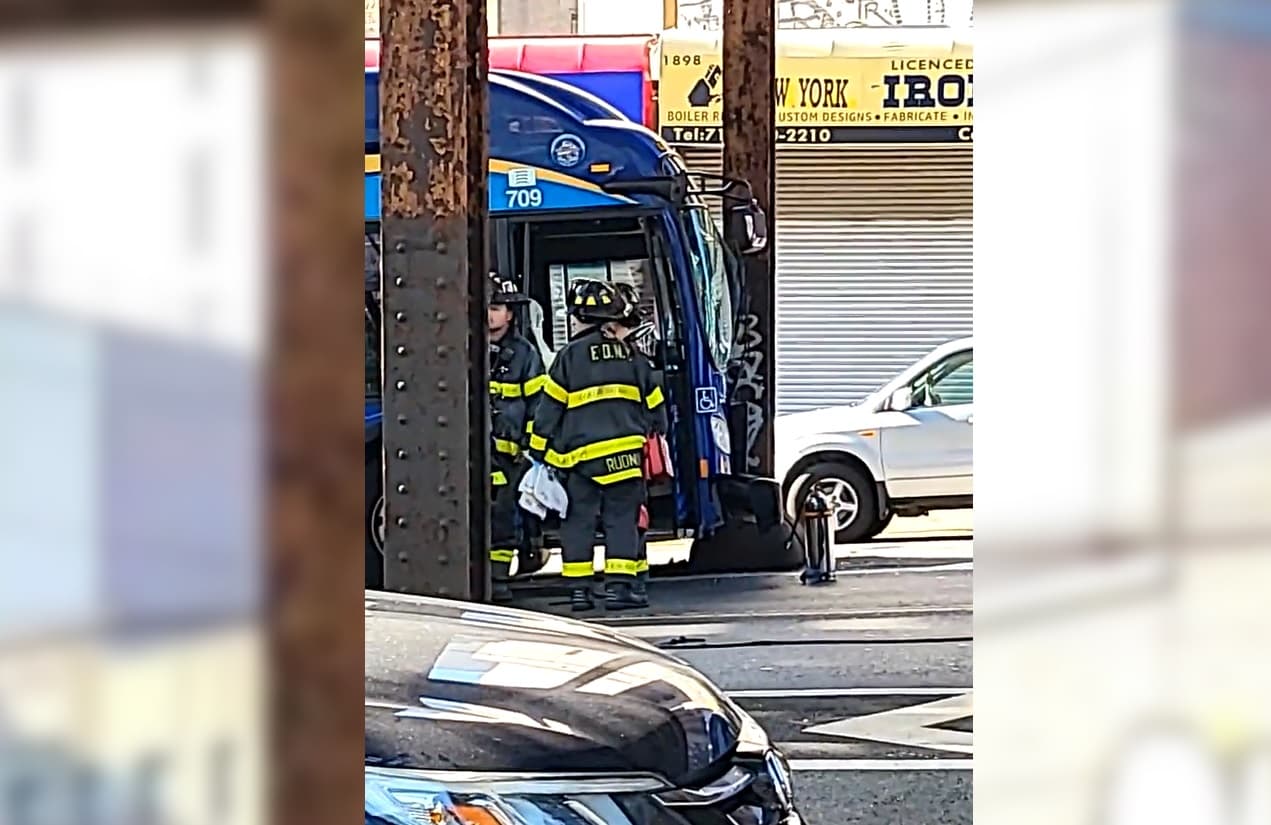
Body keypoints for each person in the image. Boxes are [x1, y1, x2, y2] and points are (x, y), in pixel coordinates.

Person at [529, 278, 667, 611]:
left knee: (579, 522)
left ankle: (580, 591)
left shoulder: (569, 357)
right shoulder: (633, 356)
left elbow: (550, 408)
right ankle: (620, 590)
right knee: (623, 519)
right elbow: (656, 407)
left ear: (580, 319)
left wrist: (537, 449)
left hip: (581, 460)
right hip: (626, 458)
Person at [486, 272, 545, 602]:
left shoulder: (525, 356)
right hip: (475, 452)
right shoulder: (461, 347)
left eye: (497, 307)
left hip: (511, 456)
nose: (491, 314)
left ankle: (498, 579)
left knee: (504, 515)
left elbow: (538, 406)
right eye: (487, 306)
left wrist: (530, 449)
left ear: (510, 313)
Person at [606, 281, 666, 599]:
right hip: (632, 451)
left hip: (603, 452)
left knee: (616, 517)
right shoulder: (635, 359)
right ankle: (633, 576)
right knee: (632, 514)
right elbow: (655, 405)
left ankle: (629, 576)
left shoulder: (576, 358)